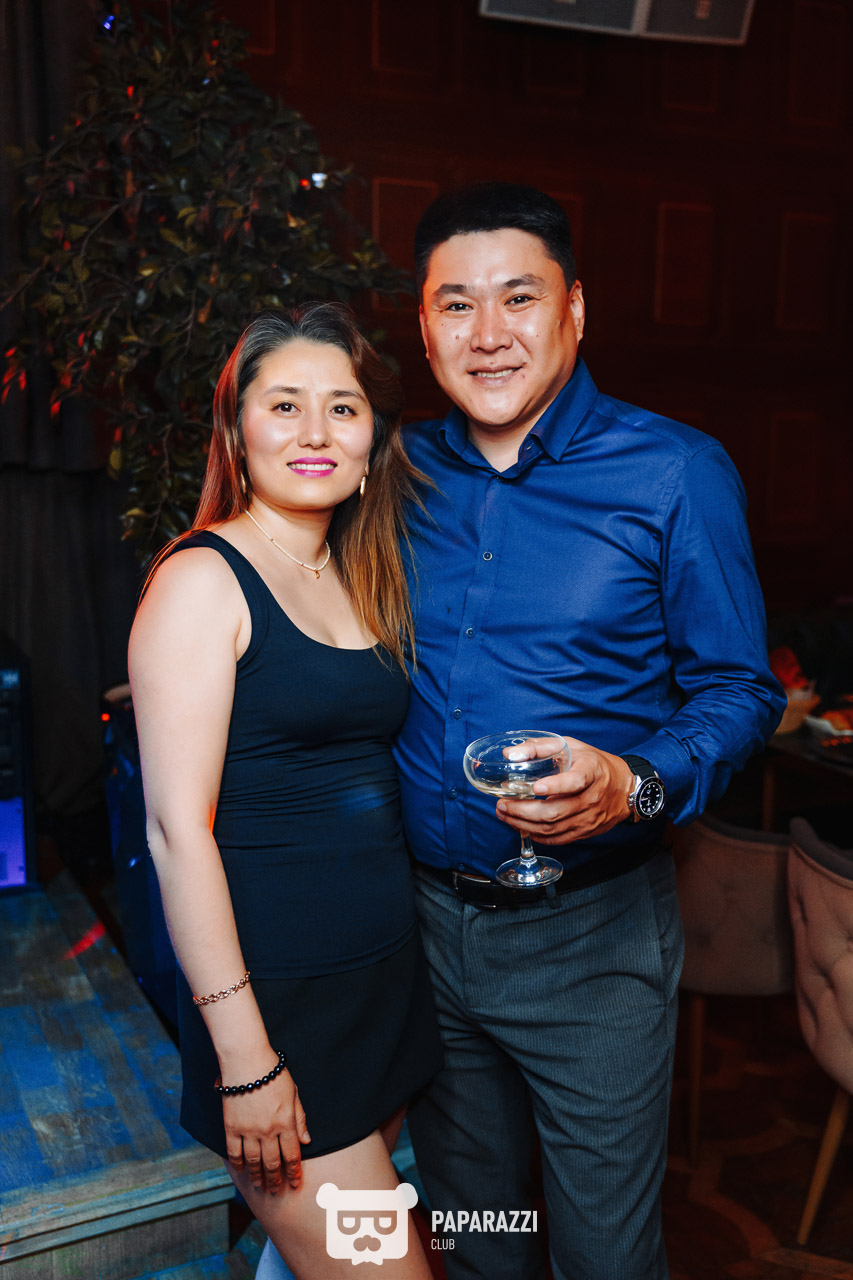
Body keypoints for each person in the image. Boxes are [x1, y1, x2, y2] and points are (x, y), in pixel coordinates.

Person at [392, 183, 786, 1280]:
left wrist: (633, 782)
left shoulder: (673, 472)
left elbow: (738, 689)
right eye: (456, 304)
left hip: (591, 938)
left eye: (517, 297)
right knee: (478, 1238)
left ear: (574, 308)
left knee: (603, 1257)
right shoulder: (393, 471)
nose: (487, 333)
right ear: (423, 327)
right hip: (422, 926)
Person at [128, 303, 441, 1280]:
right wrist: (245, 1060)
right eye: (285, 404)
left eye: (342, 407)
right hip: (282, 1015)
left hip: (381, 987)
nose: (315, 431)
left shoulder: (358, 568)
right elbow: (177, 832)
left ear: (372, 438)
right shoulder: (202, 579)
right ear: (237, 432)